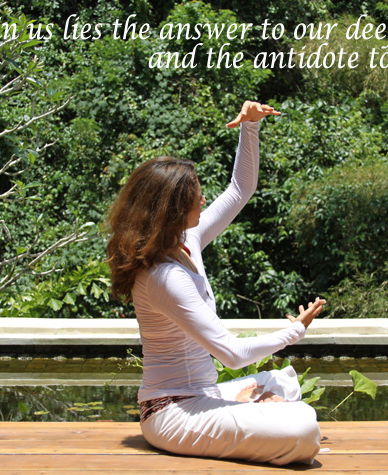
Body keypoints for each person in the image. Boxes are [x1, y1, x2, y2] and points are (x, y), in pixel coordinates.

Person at [106, 100, 326, 466]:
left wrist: (250, 127)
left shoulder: (185, 240)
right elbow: (232, 354)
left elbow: (240, 190)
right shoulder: (163, 276)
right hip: (173, 413)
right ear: (174, 207)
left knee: (282, 382)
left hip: (204, 394)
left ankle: (250, 411)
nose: (204, 197)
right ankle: (257, 416)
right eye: (196, 192)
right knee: (303, 427)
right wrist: (294, 332)